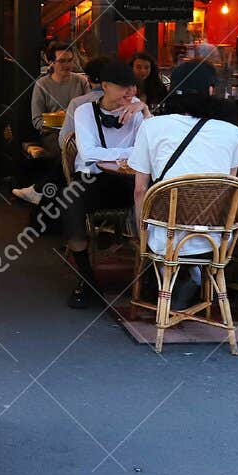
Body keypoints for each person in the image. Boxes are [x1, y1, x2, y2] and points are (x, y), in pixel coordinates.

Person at [128, 89, 238, 310]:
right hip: (216, 239)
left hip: (165, 237)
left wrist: (143, 241)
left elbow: (139, 190)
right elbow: (229, 189)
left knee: (138, 212)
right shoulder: (233, 132)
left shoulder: (151, 126)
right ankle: (194, 277)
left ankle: (167, 276)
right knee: (189, 222)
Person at [63, 61, 149, 309]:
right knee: (69, 200)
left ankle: (155, 276)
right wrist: (128, 153)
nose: (130, 92)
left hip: (130, 182)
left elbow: (151, 149)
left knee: (159, 194)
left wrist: (144, 112)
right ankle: (87, 280)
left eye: (132, 86)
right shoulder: (84, 111)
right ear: (106, 86)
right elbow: (88, 153)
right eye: (123, 87)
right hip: (92, 180)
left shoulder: (137, 114)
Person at [30, 42, 89, 135]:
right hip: (53, 134)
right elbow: (37, 120)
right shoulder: (42, 84)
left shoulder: (82, 81)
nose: (67, 65)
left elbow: (90, 111)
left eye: (70, 60)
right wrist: (56, 126)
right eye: (62, 61)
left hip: (79, 132)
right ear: (51, 63)